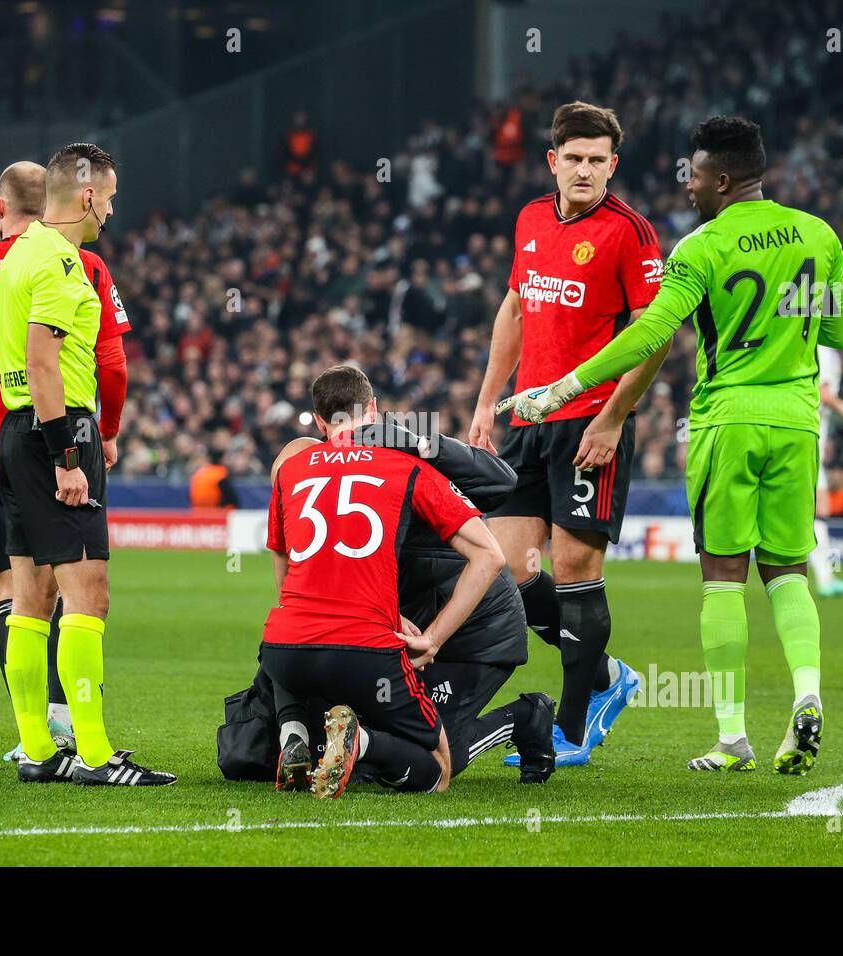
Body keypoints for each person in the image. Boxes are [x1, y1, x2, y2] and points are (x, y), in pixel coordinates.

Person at [501, 116, 843, 776]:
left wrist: (566, 387)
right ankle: (807, 693)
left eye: (692, 176)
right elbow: (838, 332)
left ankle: (733, 737)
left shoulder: (699, 248)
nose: (686, 187)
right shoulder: (820, 235)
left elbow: (649, 333)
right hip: (799, 421)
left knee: (724, 578)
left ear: (722, 180)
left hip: (728, 421)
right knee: (787, 572)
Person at [468, 101, 664, 768]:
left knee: (575, 570)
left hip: (589, 423)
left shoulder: (632, 233)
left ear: (614, 165)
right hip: (527, 416)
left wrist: (613, 420)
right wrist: (487, 400)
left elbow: (652, 337)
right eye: (573, 158)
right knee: (506, 572)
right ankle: (609, 675)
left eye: (597, 159)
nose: (584, 169)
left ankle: (575, 728)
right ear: (553, 162)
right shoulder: (528, 219)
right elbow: (517, 306)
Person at [221, 412, 556, 787]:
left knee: (445, 755)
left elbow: (501, 484)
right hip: (402, 625)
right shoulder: (327, 495)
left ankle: (526, 716)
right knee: (371, 753)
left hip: (475, 628)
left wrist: (416, 439)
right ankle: (306, 733)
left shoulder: (403, 461)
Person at [0, 160, 133, 762]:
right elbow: (113, 365)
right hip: (58, 434)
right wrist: (107, 432)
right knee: (77, 589)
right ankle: (80, 739)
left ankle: (33, 741)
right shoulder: (81, 264)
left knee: (14, 594)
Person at [0, 142, 173, 786]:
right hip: (57, 434)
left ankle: (39, 750)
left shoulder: (18, 256)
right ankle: (95, 755)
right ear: (89, 195)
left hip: (13, 435)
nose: (113, 210)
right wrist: (68, 454)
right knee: (87, 596)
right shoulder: (65, 265)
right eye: (113, 197)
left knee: (30, 599)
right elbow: (45, 361)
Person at [262, 365, 506, 799]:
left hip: (286, 653)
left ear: (320, 422)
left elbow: (286, 582)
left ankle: (293, 729)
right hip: (366, 651)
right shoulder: (405, 465)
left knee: (285, 625)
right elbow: (491, 555)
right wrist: (433, 637)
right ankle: (364, 742)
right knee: (440, 771)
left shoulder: (290, 470)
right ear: (374, 409)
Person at [811, 346, 843, 596]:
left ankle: (825, 578)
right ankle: (824, 579)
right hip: (809, 436)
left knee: (816, 510)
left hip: (806, 435)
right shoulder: (824, 350)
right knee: (819, 508)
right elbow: (822, 392)